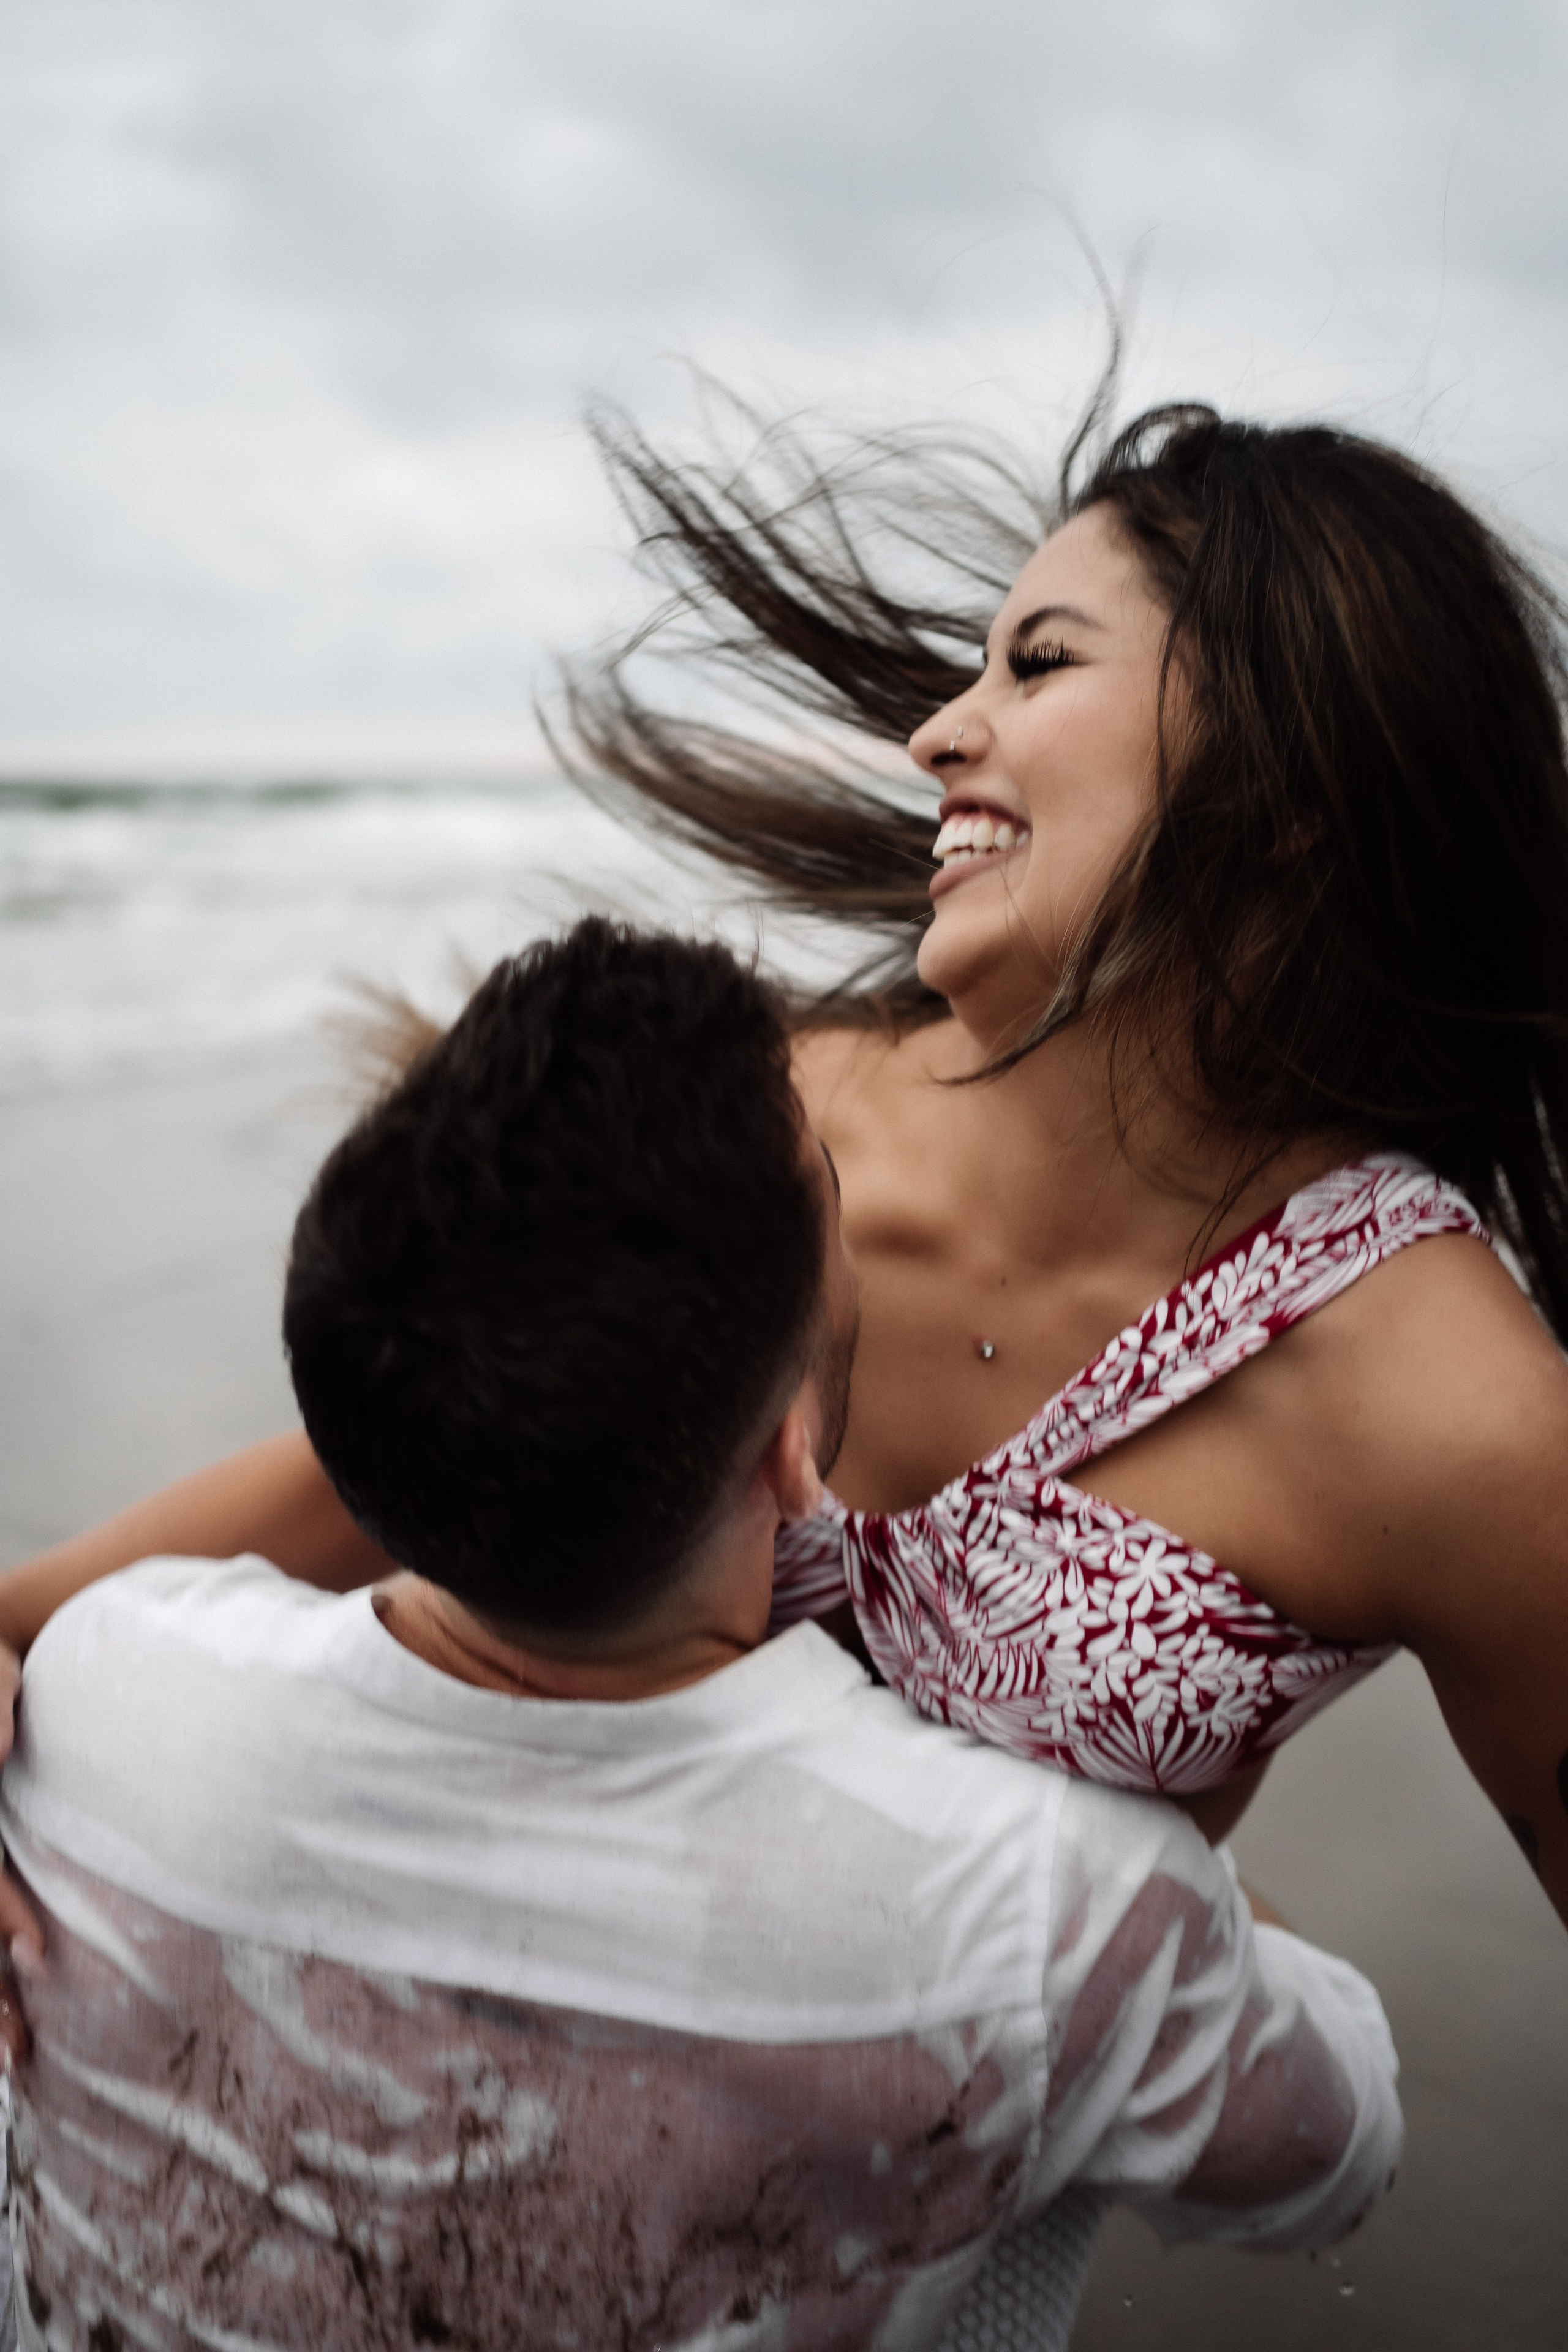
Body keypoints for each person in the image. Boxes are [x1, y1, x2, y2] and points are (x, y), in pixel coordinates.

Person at [1, 390, 1566, 1904]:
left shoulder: (1462, 1422)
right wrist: (12, 1631)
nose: (937, 733)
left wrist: (1192, 1964)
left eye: (1036, 664)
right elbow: (393, 1485)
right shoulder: (764, 1132)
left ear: (1285, 774)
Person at [0, 922, 1401, 2352]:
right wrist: (1181, 1869)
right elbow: (1335, 2147)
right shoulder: (1039, 1913)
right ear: (794, 1449)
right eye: (831, 1197)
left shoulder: (94, 1696)